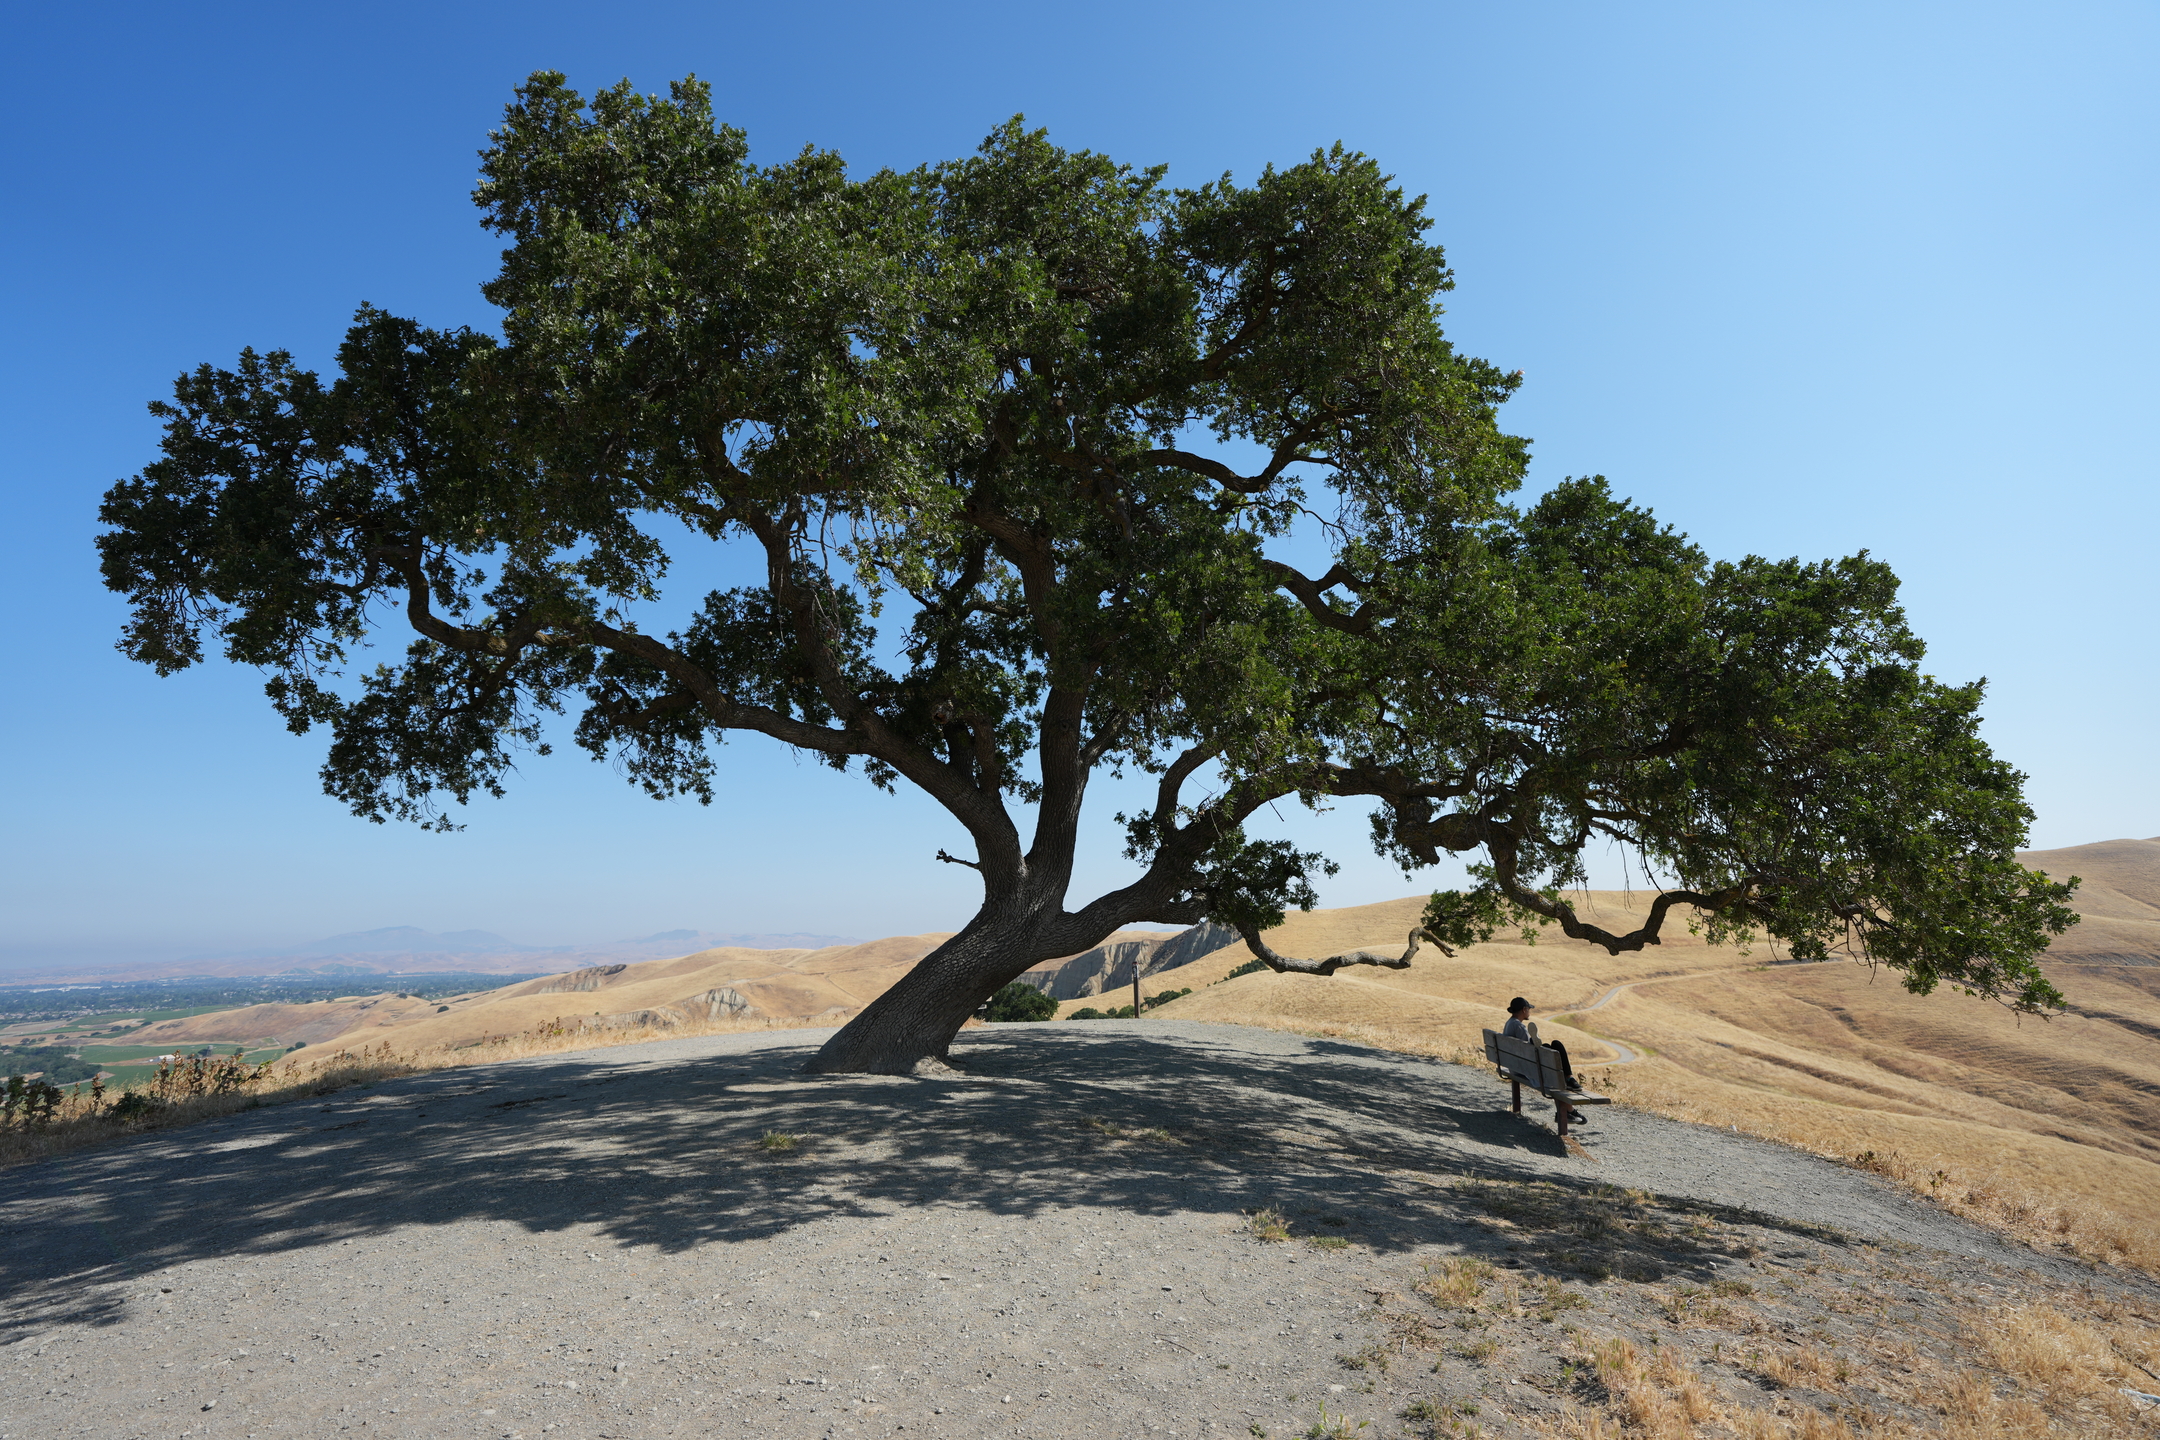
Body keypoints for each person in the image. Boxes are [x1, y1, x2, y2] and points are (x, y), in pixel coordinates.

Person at [1504, 997, 1583, 1093]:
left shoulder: (1509, 1023)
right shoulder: (1519, 1026)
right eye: (1529, 1009)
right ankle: (1568, 1078)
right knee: (1556, 1045)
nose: (1529, 1012)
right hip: (1525, 1069)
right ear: (1524, 1010)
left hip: (1515, 1066)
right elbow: (1529, 1050)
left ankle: (1568, 1078)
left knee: (1549, 1046)